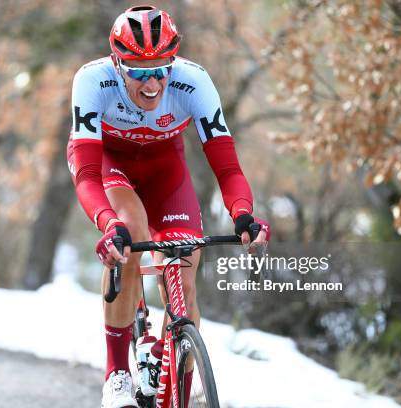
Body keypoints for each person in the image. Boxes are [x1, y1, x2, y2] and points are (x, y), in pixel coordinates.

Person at [67, 5, 270, 407]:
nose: (152, 82)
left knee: (184, 264)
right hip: (110, 164)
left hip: (165, 168)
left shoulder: (194, 82)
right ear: (117, 65)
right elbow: (87, 176)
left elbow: (228, 168)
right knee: (133, 233)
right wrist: (109, 225)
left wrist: (243, 213)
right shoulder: (93, 80)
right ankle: (117, 374)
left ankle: (172, 382)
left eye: (161, 68)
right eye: (139, 72)